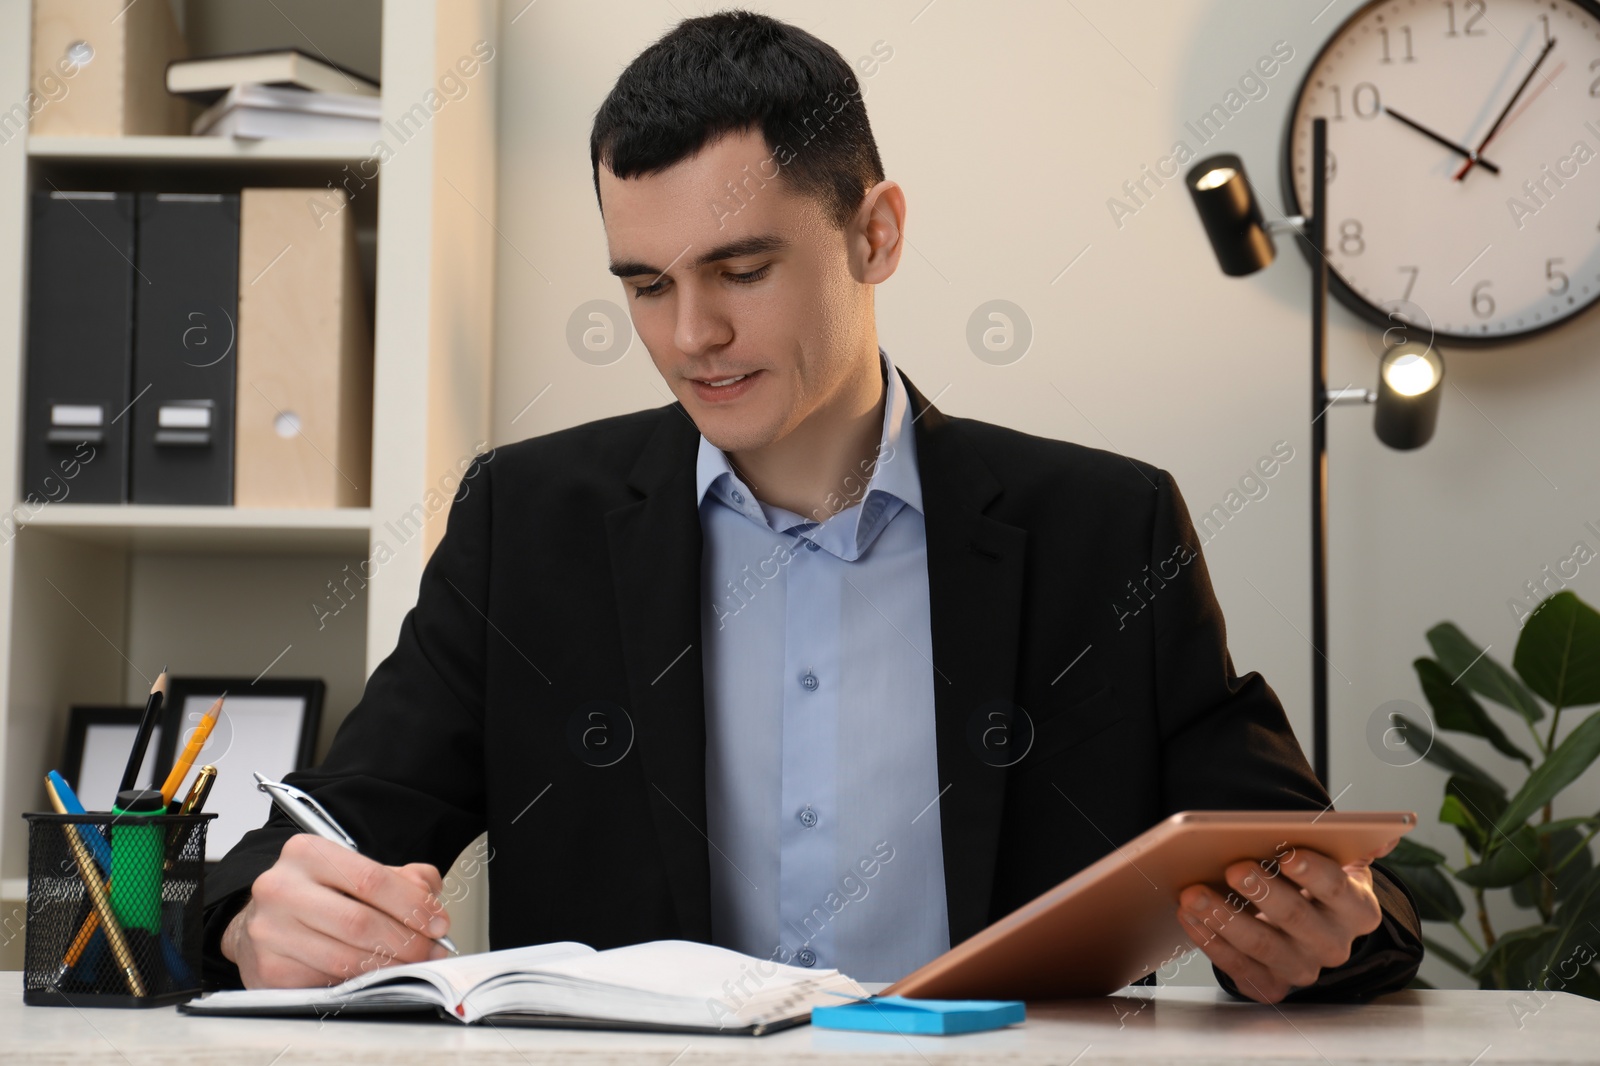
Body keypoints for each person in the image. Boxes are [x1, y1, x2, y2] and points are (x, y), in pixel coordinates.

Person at [207, 10, 1422, 1003]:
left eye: (741, 269)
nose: (692, 336)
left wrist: (1332, 930)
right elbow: (326, 829)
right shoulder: (528, 525)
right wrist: (258, 918)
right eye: (646, 283)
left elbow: (1320, 870)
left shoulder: (1104, 530)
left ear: (875, 232)